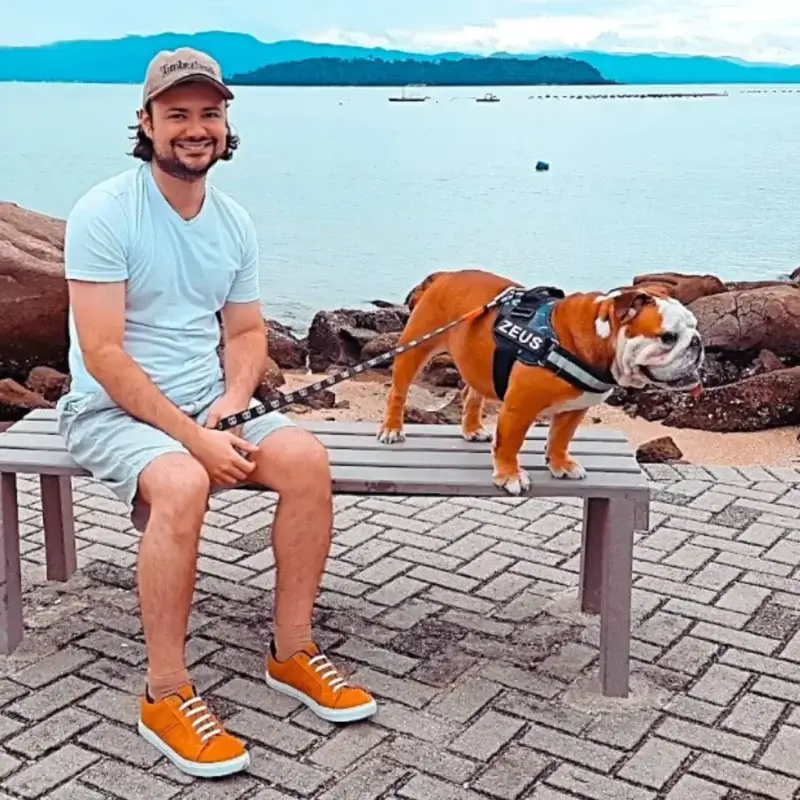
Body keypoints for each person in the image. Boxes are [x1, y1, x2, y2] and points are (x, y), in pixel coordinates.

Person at [56, 47, 377, 779]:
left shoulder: (233, 223)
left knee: (306, 458)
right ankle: (165, 692)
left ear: (227, 124)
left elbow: (244, 332)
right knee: (181, 483)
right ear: (146, 122)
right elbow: (102, 353)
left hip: (209, 408)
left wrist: (230, 408)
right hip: (111, 411)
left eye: (210, 113)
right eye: (178, 115)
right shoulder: (105, 212)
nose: (196, 128)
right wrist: (194, 438)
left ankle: (292, 650)